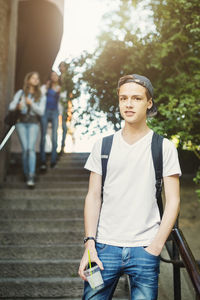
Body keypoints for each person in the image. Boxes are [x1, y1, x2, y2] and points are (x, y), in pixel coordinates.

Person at [78, 74, 181, 299]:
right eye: (123, 98)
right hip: (103, 251)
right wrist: (89, 245)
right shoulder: (102, 146)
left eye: (136, 98)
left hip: (145, 250)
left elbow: (173, 200)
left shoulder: (163, 147)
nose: (128, 104)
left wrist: (156, 246)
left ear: (149, 102)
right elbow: (93, 197)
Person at [9, 72, 46, 188]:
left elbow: (41, 111)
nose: (36, 80)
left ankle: (31, 175)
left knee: (30, 149)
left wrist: (32, 104)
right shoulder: (20, 93)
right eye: (33, 78)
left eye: (37, 78)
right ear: (28, 79)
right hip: (21, 123)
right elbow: (10, 107)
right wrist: (17, 106)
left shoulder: (41, 95)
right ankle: (25, 173)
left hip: (33, 123)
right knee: (25, 149)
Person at [40, 71, 61, 170]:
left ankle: (53, 160)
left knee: (54, 136)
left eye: (56, 75)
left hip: (55, 112)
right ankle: (43, 161)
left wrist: (60, 92)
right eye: (52, 75)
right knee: (43, 135)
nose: (54, 77)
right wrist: (47, 87)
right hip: (45, 111)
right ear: (50, 77)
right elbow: (40, 96)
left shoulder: (60, 88)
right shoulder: (45, 87)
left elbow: (62, 101)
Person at [58, 61, 74, 153]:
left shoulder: (68, 79)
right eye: (60, 66)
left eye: (62, 66)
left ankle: (62, 146)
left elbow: (71, 91)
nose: (61, 68)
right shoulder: (57, 78)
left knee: (64, 124)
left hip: (64, 103)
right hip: (56, 102)